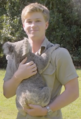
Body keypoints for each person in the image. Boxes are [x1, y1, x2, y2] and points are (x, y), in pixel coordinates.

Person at [3, 2, 79, 119]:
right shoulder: (15, 54)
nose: (33, 25)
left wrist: (46, 110)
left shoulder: (58, 54)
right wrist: (18, 76)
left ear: (46, 24)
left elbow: (73, 91)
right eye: (29, 21)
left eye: (38, 21)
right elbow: (7, 93)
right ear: (23, 25)